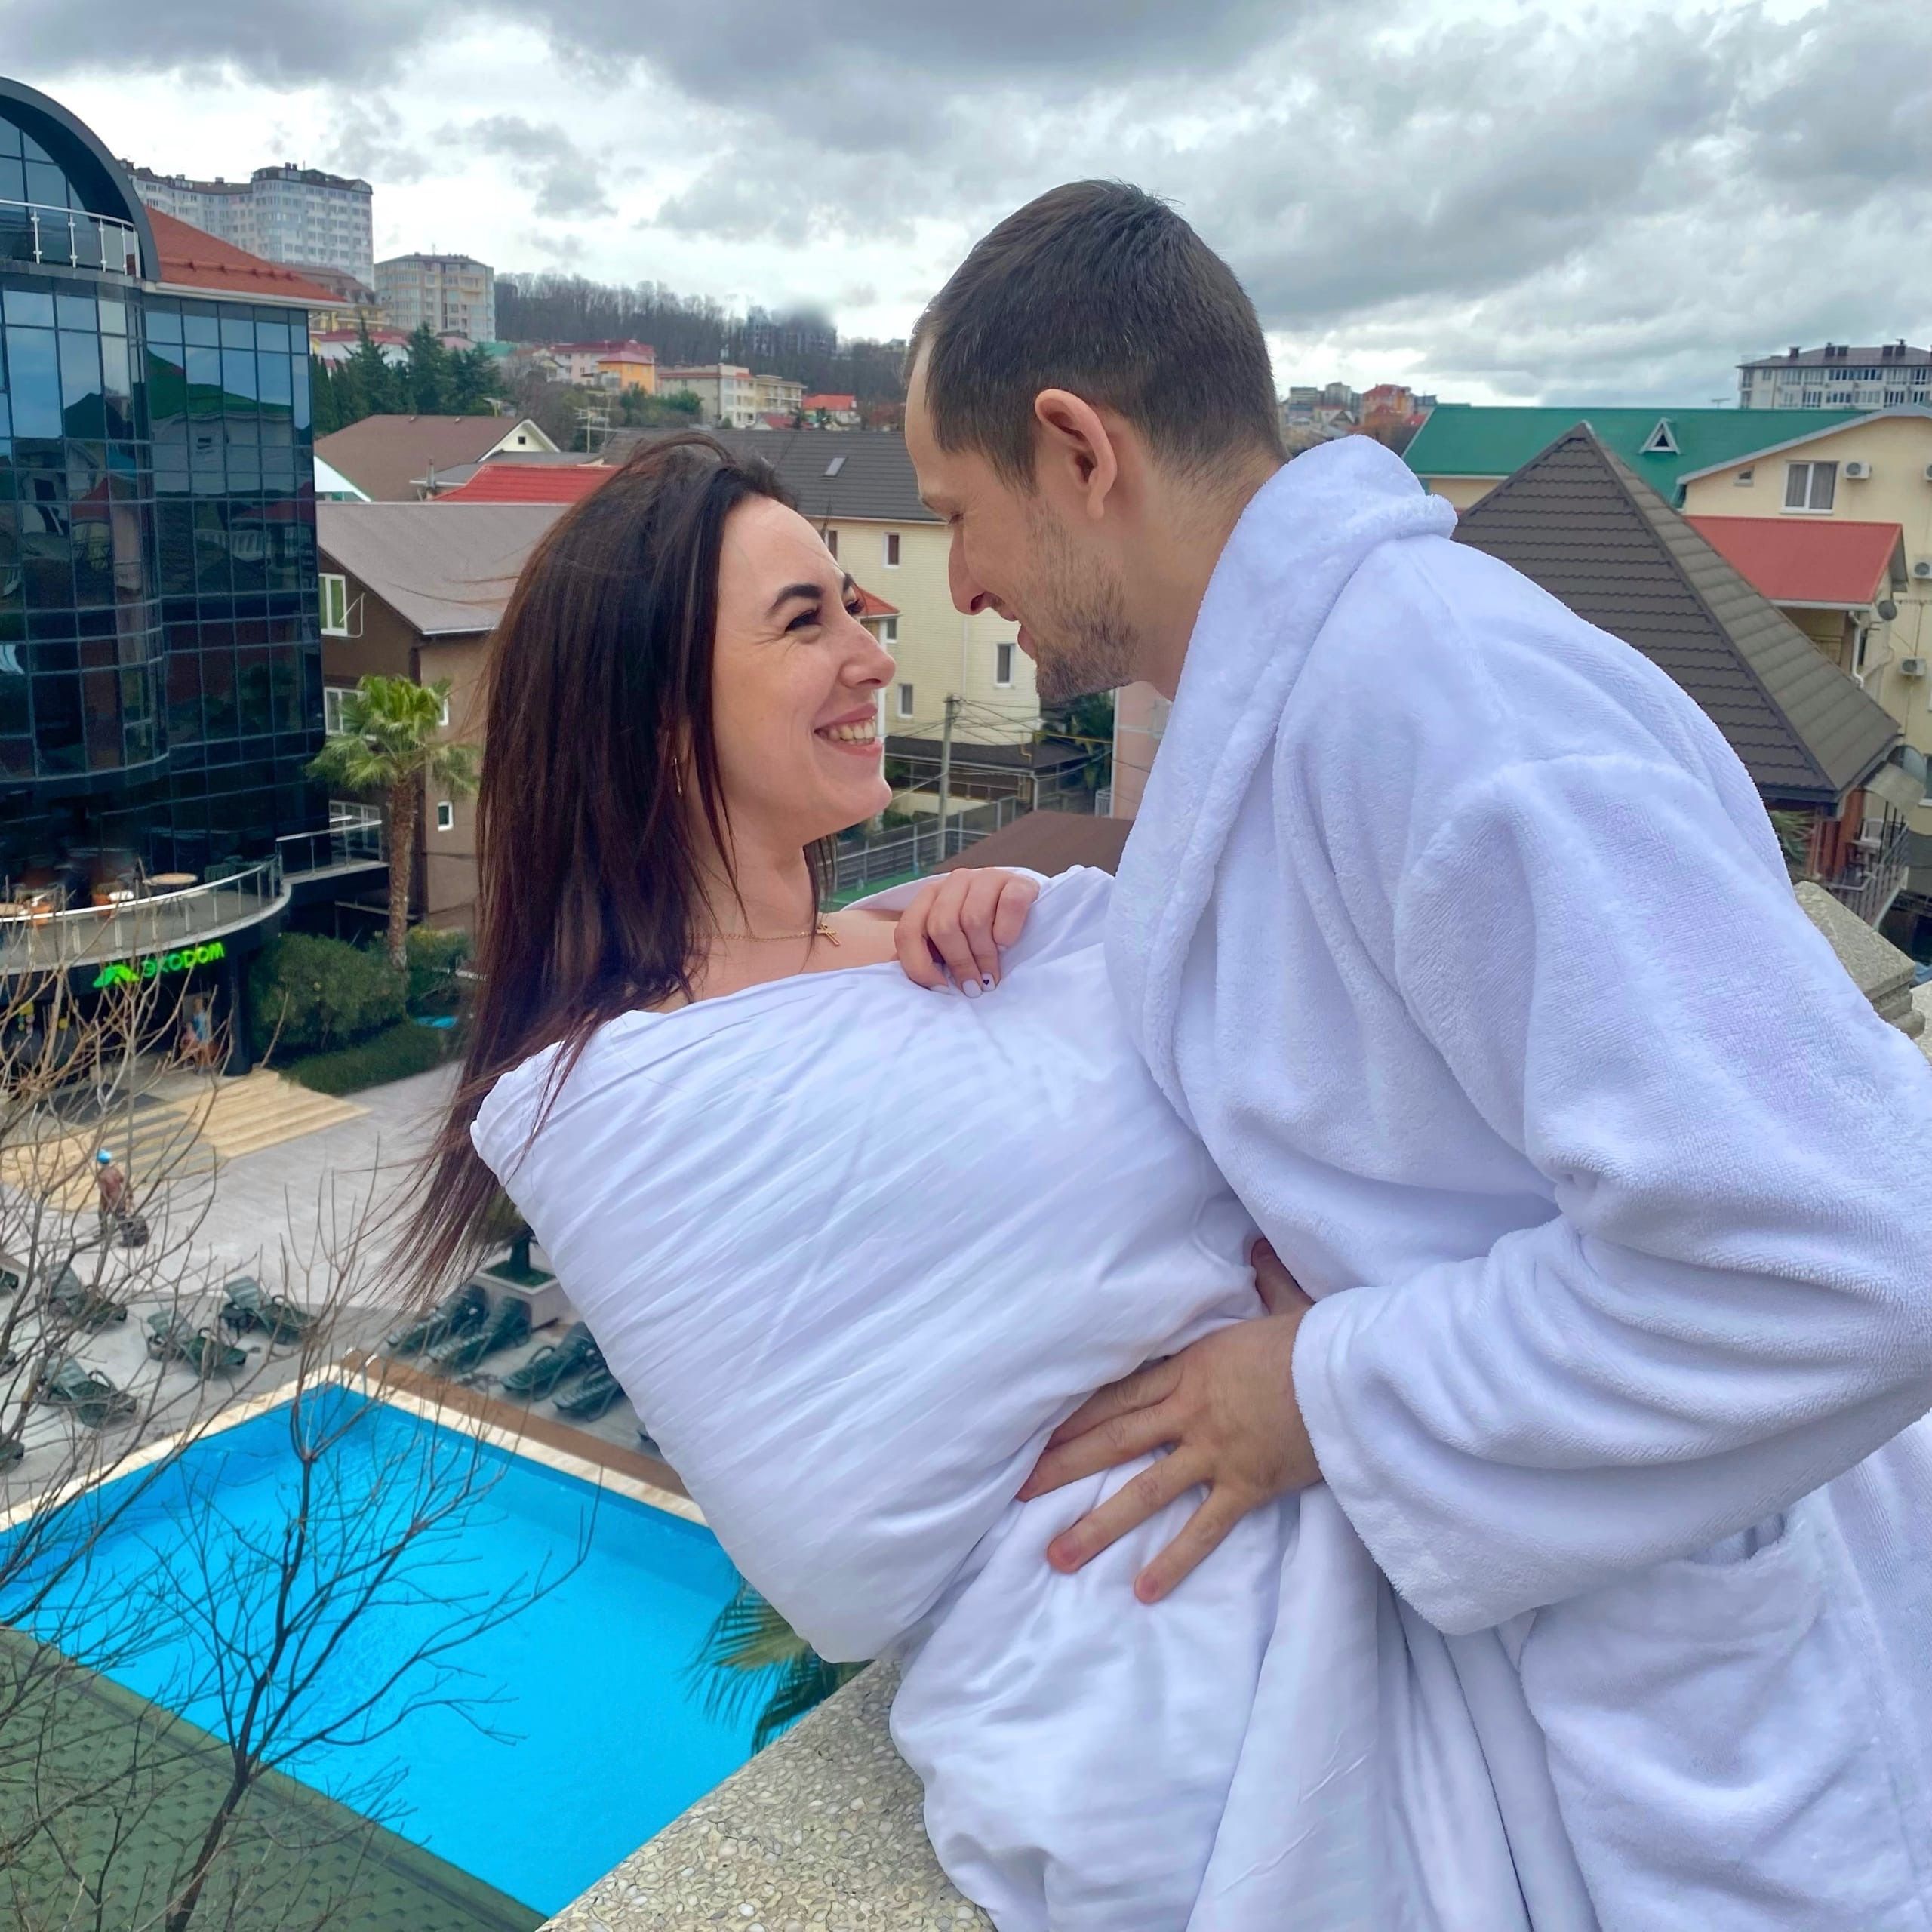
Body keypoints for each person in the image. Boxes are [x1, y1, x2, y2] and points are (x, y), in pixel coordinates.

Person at [905, 181, 1932, 1928]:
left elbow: (1853, 1252)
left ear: (1076, 450)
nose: (958, 580)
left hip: (1717, 1713)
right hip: (1563, 1669)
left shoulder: (1446, 707)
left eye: (952, 512)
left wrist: (1322, 1391)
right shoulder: (1309, 699)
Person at [406, 432, 1564, 1930]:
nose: (871, 656)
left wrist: (1039, 941)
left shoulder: (963, 936)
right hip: (1149, 1655)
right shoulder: (631, 1098)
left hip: (1374, 1482)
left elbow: (1272, 1094)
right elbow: (836, 1534)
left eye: (856, 608)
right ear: (658, 716)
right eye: (805, 622)